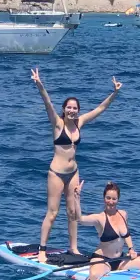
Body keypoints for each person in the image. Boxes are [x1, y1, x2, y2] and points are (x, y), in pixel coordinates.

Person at [31, 68, 121, 260]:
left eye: (75, 108)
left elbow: (100, 109)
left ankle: (73, 248)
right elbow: (47, 102)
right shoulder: (57, 123)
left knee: (73, 212)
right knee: (53, 213)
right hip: (56, 173)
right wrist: (39, 84)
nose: (72, 111)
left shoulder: (79, 123)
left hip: (73, 173)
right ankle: (42, 250)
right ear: (64, 109)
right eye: (69, 108)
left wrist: (114, 93)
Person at [74, 181, 140, 280]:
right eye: (108, 198)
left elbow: (126, 235)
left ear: (118, 199)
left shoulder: (123, 214)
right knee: (93, 278)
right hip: (103, 260)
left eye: (114, 199)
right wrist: (77, 198)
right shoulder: (100, 218)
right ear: (104, 198)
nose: (111, 202)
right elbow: (80, 219)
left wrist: (131, 249)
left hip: (121, 260)